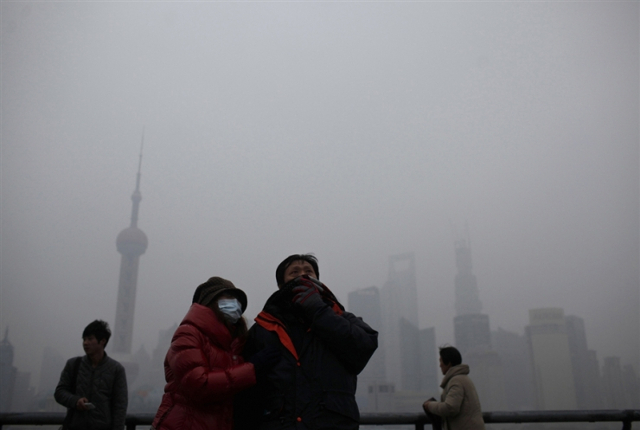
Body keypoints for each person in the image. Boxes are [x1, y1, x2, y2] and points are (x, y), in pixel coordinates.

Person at [237, 254, 379, 430]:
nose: (302, 276)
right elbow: (245, 391)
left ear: (318, 280)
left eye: (308, 272)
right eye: (294, 272)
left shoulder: (342, 318)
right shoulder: (263, 329)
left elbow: (364, 347)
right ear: (281, 285)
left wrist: (317, 309)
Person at [151, 276, 279, 430]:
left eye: (237, 300)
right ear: (210, 302)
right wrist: (251, 369)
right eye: (228, 298)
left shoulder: (235, 342)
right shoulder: (188, 334)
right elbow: (199, 386)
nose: (234, 304)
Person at [54, 320, 128, 430]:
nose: (85, 343)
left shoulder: (116, 370)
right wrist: (75, 401)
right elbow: (59, 392)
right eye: (84, 339)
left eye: (90, 339)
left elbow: (120, 407)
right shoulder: (73, 365)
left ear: (102, 341)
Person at [423, 346, 485, 430]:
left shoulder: (456, 380)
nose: (440, 365)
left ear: (448, 363)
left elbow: (450, 408)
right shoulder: (462, 378)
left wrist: (429, 405)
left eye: (440, 361)